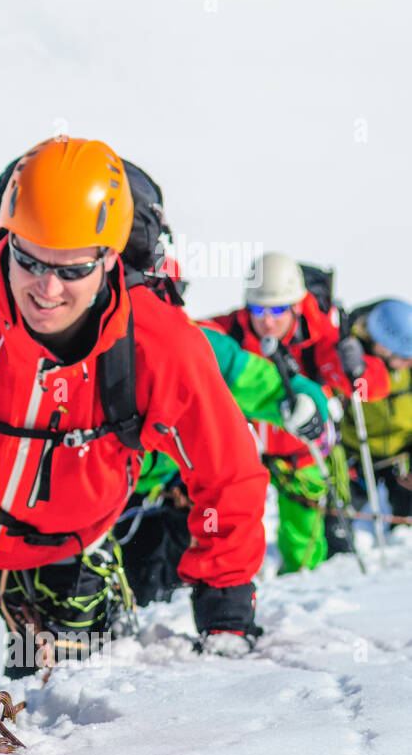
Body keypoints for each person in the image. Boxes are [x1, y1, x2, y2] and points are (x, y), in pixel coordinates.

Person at [0, 136, 269, 670]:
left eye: (72, 270)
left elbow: (227, 469)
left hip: (73, 542)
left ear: (110, 260)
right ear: (7, 241)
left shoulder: (158, 343)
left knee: (73, 693)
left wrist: (224, 603)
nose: (47, 288)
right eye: (29, 259)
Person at [120, 309, 334, 606]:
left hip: (162, 490)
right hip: (90, 495)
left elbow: (258, 381)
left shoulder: (194, 342)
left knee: (152, 588)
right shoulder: (63, 335)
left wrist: (304, 400)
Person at [207, 254, 389, 571]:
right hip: (246, 454)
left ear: (295, 305)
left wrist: (357, 370)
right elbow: (195, 341)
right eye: (258, 309)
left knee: (302, 541)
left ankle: (303, 593)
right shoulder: (230, 333)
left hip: (302, 455)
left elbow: (371, 389)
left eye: (277, 310)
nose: (267, 320)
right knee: (233, 533)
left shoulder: (319, 337)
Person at [338, 298, 412, 519]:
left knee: (406, 506)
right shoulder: (349, 357)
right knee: (342, 515)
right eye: (404, 357)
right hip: (357, 452)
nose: (409, 362)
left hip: (402, 452)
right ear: (383, 348)